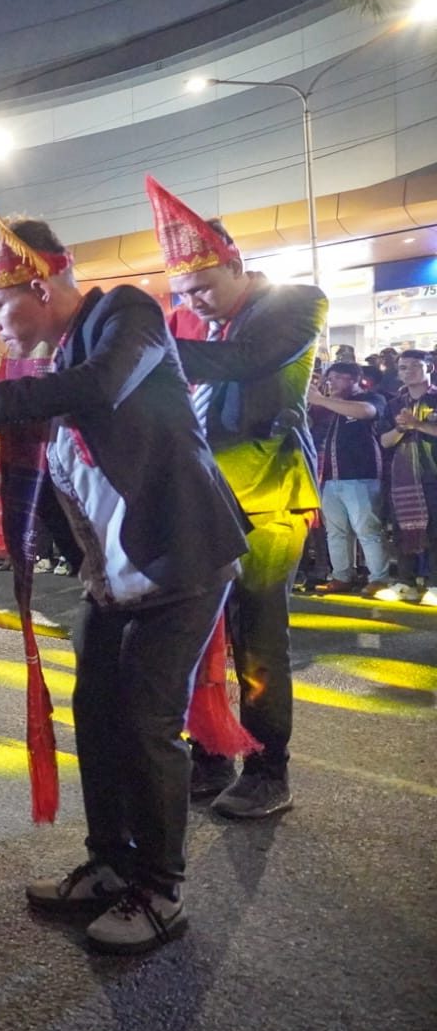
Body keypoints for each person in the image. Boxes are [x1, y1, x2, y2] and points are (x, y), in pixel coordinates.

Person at [0, 156, 249, 955]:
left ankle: (160, 888)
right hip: (112, 577)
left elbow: (103, 387)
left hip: (183, 556)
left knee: (146, 720)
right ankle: (108, 860)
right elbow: (44, 417)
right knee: (96, 716)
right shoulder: (51, 367)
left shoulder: (123, 315)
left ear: (40, 285)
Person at [148, 176, 324, 819]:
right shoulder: (199, 325)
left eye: (204, 288)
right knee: (197, 637)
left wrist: (145, 345)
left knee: (257, 640)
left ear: (237, 264)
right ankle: (212, 750)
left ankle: (269, 768)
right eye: (185, 293)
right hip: (205, 501)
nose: (196, 302)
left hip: (270, 497)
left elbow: (246, 362)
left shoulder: (296, 304)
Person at [306, 362, 391, 595]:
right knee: (336, 531)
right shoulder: (326, 407)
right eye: (328, 379)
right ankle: (342, 576)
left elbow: (366, 412)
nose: (330, 383)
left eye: (337, 378)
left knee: (367, 529)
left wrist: (321, 399)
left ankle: (379, 578)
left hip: (361, 475)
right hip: (330, 479)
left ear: (355, 379)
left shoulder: (372, 398)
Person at [379, 349, 437, 605]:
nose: (408, 371)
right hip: (404, 478)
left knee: (435, 530)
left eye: (415, 366)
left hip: (432, 473)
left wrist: (419, 424)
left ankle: (434, 584)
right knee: (404, 529)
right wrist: (402, 427)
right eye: (403, 367)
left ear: (429, 369)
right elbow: (384, 440)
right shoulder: (394, 403)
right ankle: (406, 582)